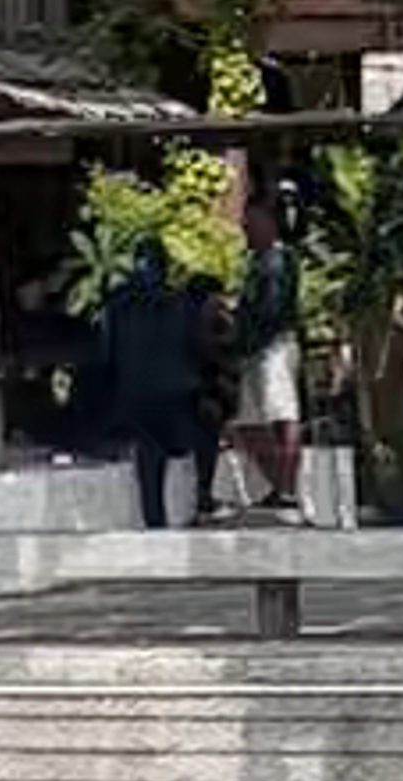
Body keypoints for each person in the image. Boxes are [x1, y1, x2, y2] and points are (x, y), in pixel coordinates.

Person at [104, 236, 220, 532]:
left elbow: (107, 351)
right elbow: (197, 348)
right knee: (202, 434)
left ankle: (155, 520)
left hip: (135, 395)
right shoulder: (179, 304)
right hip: (175, 395)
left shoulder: (118, 303)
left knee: (150, 458)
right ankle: (201, 498)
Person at [227, 173, 308, 517]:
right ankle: (279, 484)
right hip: (255, 348)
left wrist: (242, 329)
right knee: (248, 422)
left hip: (272, 345)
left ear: (267, 223)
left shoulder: (276, 261)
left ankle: (287, 487)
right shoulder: (258, 262)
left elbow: (272, 310)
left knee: (281, 414)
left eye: (251, 220)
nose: (245, 226)